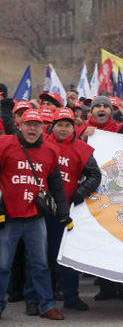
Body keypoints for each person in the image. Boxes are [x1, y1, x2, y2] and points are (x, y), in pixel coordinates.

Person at [0, 109, 72, 320]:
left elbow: (56, 184)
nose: (32, 128)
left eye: (36, 125)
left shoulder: (51, 150)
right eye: (28, 124)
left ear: (43, 128)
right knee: (3, 265)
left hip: (35, 216)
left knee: (40, 264)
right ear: (20, 125)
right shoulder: (4, 144)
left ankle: (46, 305)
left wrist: (63, 212)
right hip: (10, 217)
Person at [37, 107, 101, 311]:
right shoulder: (41, 144)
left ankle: (71, 297)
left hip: (66, 211)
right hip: (41, 209)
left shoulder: (82, 148)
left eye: (67, 125)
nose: (63, 129)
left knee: (66, 255)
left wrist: (80, 194)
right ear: (52, 127)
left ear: (73, 128)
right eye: (60, 125)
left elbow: (95, 175)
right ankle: (44, 297)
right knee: (42, 256)